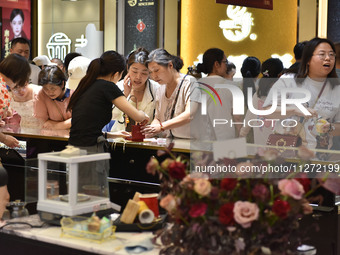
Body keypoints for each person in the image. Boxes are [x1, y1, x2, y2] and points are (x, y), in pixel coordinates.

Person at [67, 50, 149, 192]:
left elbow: (88, 127)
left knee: (78, 198)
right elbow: (137, 116)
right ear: (117, 73)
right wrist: (144, 116)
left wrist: (114, 135)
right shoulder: (107, 86)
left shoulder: (88, 84)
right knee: (93, 199)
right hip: (89, 153)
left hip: (74, 149)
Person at [263, 37, 340, 152]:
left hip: (319, 158)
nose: (328, 58)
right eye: (322, 54)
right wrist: (295, 110)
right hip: (285, 155)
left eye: (331, 55)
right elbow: (267, 111)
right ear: (308, 59)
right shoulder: (289, 80)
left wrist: (330, 128)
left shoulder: (336, 88)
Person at [142, 48, 200, 139]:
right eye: (150, 72)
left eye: (156, 70)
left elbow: (190, 114)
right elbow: (158, 118)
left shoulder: (190, 83)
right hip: (170, 144)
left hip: (191, 144)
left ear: (170, 65)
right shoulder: (160, 88)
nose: (154, 76)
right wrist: (149, 131)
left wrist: (161, 126)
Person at [195, 48, 241, 140]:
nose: (226, 66)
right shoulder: (233, 87)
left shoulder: (195, 86)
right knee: (227, 155)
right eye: (225, 62)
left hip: (202, 140)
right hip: (226, 138)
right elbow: (238, 118)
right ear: (216, 64)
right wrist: (241, 138)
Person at [111, 48, 160, 132]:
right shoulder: (118, 87)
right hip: (120, 138)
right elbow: (112, 116)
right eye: (134, 71)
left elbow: (159, 118)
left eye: (144, 73)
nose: (138, 77)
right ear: (127, 68)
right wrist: (124, 95)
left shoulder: (156, 89)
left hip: (147, 139)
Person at [240, 58, 284, 145]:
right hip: (280, 150)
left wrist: (241, 136)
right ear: (280, 75)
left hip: (260, 152)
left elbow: (247, 123)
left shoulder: (257, 95)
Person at [1, 54, 41, 128]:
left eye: (23, 84)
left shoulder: (39, 92)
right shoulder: (4, 91)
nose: (20, 90)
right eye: (15, 87)